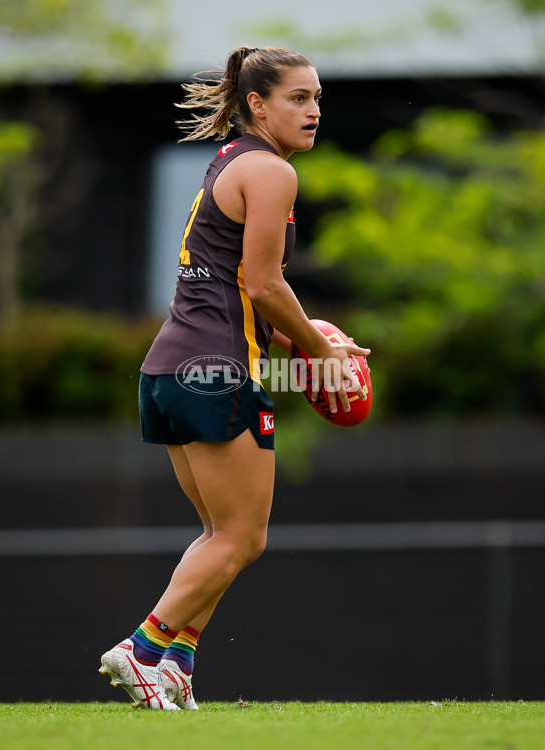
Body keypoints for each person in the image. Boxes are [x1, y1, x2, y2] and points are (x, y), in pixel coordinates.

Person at [99, 45, 371, 711]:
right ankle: (143, 649)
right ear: (256, 103)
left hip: (169, 368)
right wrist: (320, 349)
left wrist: (308, 343)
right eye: (296, 99)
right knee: (243, 538)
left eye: (316, 99)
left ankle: (178, 663)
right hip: (216, 371)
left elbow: (240, 291)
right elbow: (264, 283)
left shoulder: (230, 161)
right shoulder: (272, 172)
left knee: (220, 539)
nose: (311, 112)